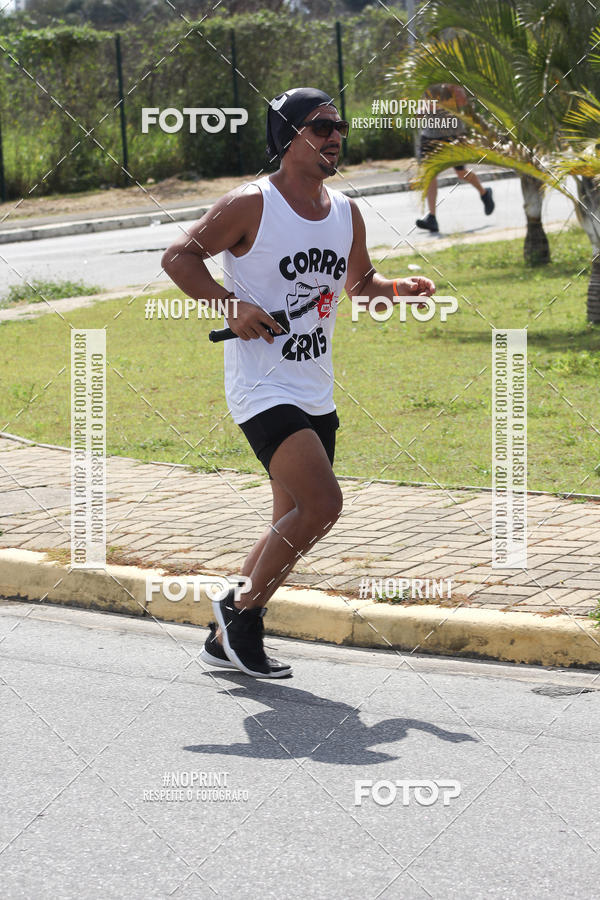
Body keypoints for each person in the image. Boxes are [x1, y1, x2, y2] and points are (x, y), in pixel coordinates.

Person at [162, 86, 436, 678]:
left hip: (315, 386)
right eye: (321, 127)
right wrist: (230, 305)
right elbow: (179, 257)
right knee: (322, 504)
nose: (336, 137)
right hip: (262, 387)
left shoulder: (345, 212)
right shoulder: (251, 204)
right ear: (288, 137)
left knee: (290, 523)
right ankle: (241, 616)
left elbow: (358, 285)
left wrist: (399, 289)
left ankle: (223, 635)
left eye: (340, 127)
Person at [416, 83, 494, 233]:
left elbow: (463, 102)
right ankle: (432, 217)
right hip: (430, 136)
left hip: (452, 134)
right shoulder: (427, 84)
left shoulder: (450, 83)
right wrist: (422, 111)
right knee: (430, 174)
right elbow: (420, 112)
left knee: (461, 173)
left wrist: (445, 98)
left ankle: (484, 193)